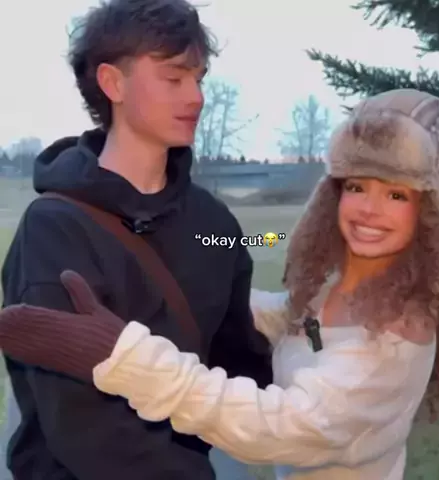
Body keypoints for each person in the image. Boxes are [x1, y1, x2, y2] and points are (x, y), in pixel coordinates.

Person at [1, 88, 439, 480]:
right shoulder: (334, 293)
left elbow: (278, 425)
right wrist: (180, 283)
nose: (368, 209)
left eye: (396, 194)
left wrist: (127, 358)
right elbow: (296, 323)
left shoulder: (394, 336)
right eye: (356, 186)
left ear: (431, 216)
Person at [0, 0, 272, 478]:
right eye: (174, 78)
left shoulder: (215, 225)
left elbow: (241, 366)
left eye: (199, 78)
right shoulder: (54, 230)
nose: (196, 97)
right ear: (113, 83)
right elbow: (79, 424)